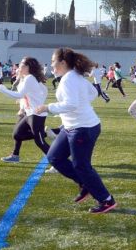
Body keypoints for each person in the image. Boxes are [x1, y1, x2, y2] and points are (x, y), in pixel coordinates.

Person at [36, 48, 116, 214]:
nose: (51, 65)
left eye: (53, 61)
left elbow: (71, 104)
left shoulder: (69, 79)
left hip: (83, 128)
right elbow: (93, 93)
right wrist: (80, 105)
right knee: (54, 157)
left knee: (82, 166)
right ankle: (85, 184)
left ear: (63, 63)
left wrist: (47, 107)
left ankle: (106, 200)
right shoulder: (73, 77)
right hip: (73, 126)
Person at [0, 57, 50, 163]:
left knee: (39, 142)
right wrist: (23, 106)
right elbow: (41, 91)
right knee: (17, 134)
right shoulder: (27, 77)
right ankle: (16, 155)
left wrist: (2, 89)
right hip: (29, 112)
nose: (19, 66)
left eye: (22, 65)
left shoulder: (30, 78)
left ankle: (58, 161)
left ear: (28, 67)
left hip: (36, 114)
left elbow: (19, 94)